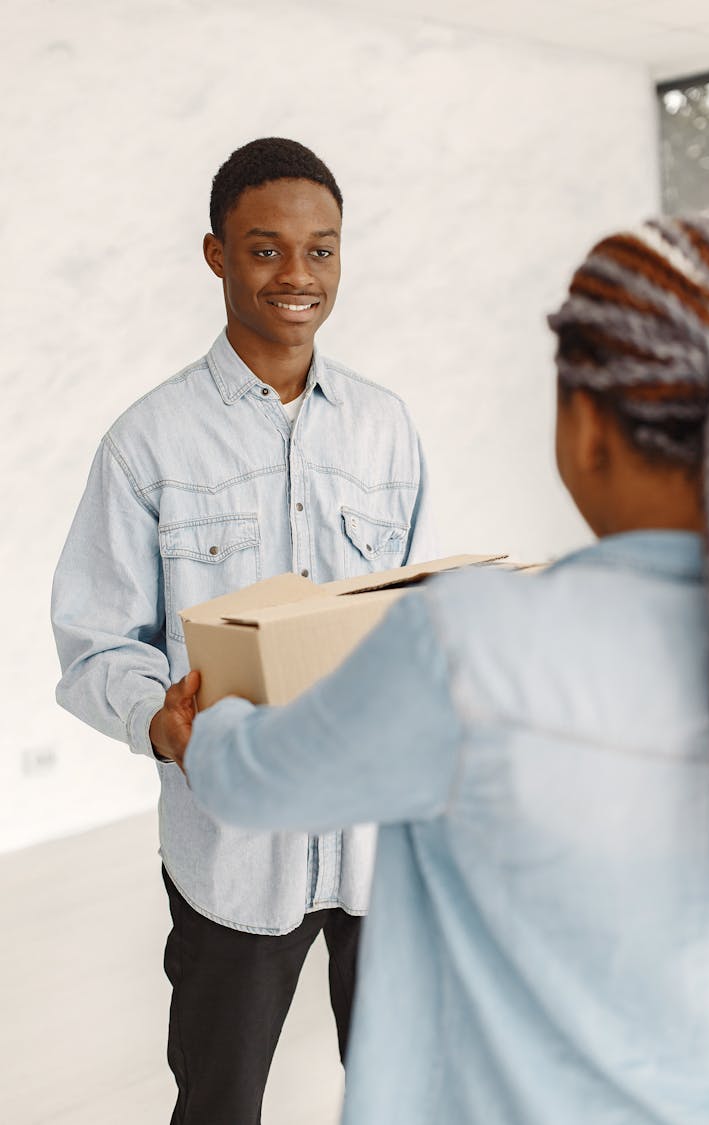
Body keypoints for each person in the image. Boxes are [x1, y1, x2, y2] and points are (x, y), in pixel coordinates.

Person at [165, 214, 709, 1124]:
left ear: (586, 426)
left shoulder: (472, 646)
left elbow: (252, 777)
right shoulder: (150, 438)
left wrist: (205, 718)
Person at [51, 137, 435, 1125]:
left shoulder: (388, 429)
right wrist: (160, 721)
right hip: (232, 853)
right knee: (219, 1105)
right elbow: (97, 642)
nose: (297, 276)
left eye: (322, 250)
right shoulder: (148, 442)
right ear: (217, 253)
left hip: (375, 849)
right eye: (266, 250)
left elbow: (411, 612)